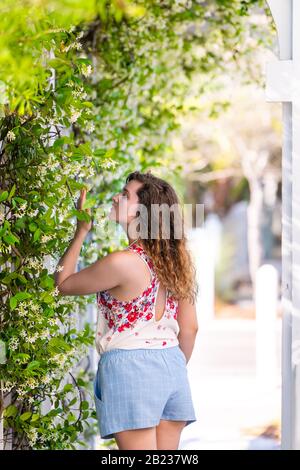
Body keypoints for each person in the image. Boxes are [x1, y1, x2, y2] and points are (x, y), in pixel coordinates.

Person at [54, 170, 199, 450]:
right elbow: (191, 328)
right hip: (172, 366)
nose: (115, 198)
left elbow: (62, 283)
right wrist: (168, 368)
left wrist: (80, 232)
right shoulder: (177, 262)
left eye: (125, 195)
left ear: (141, 213)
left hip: (131, 368)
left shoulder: (122, 263)